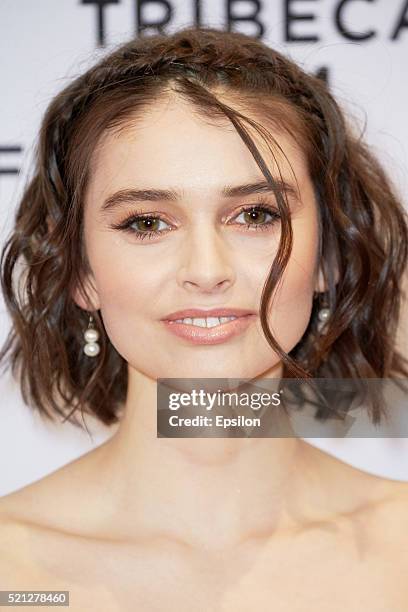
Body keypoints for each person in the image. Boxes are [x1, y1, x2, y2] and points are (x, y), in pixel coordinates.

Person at [0, 25, 408, 610]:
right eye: (147, 222)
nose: (206, 269)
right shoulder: (10, 569)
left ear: (330, 257)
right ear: (80, 271)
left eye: (255, 214)